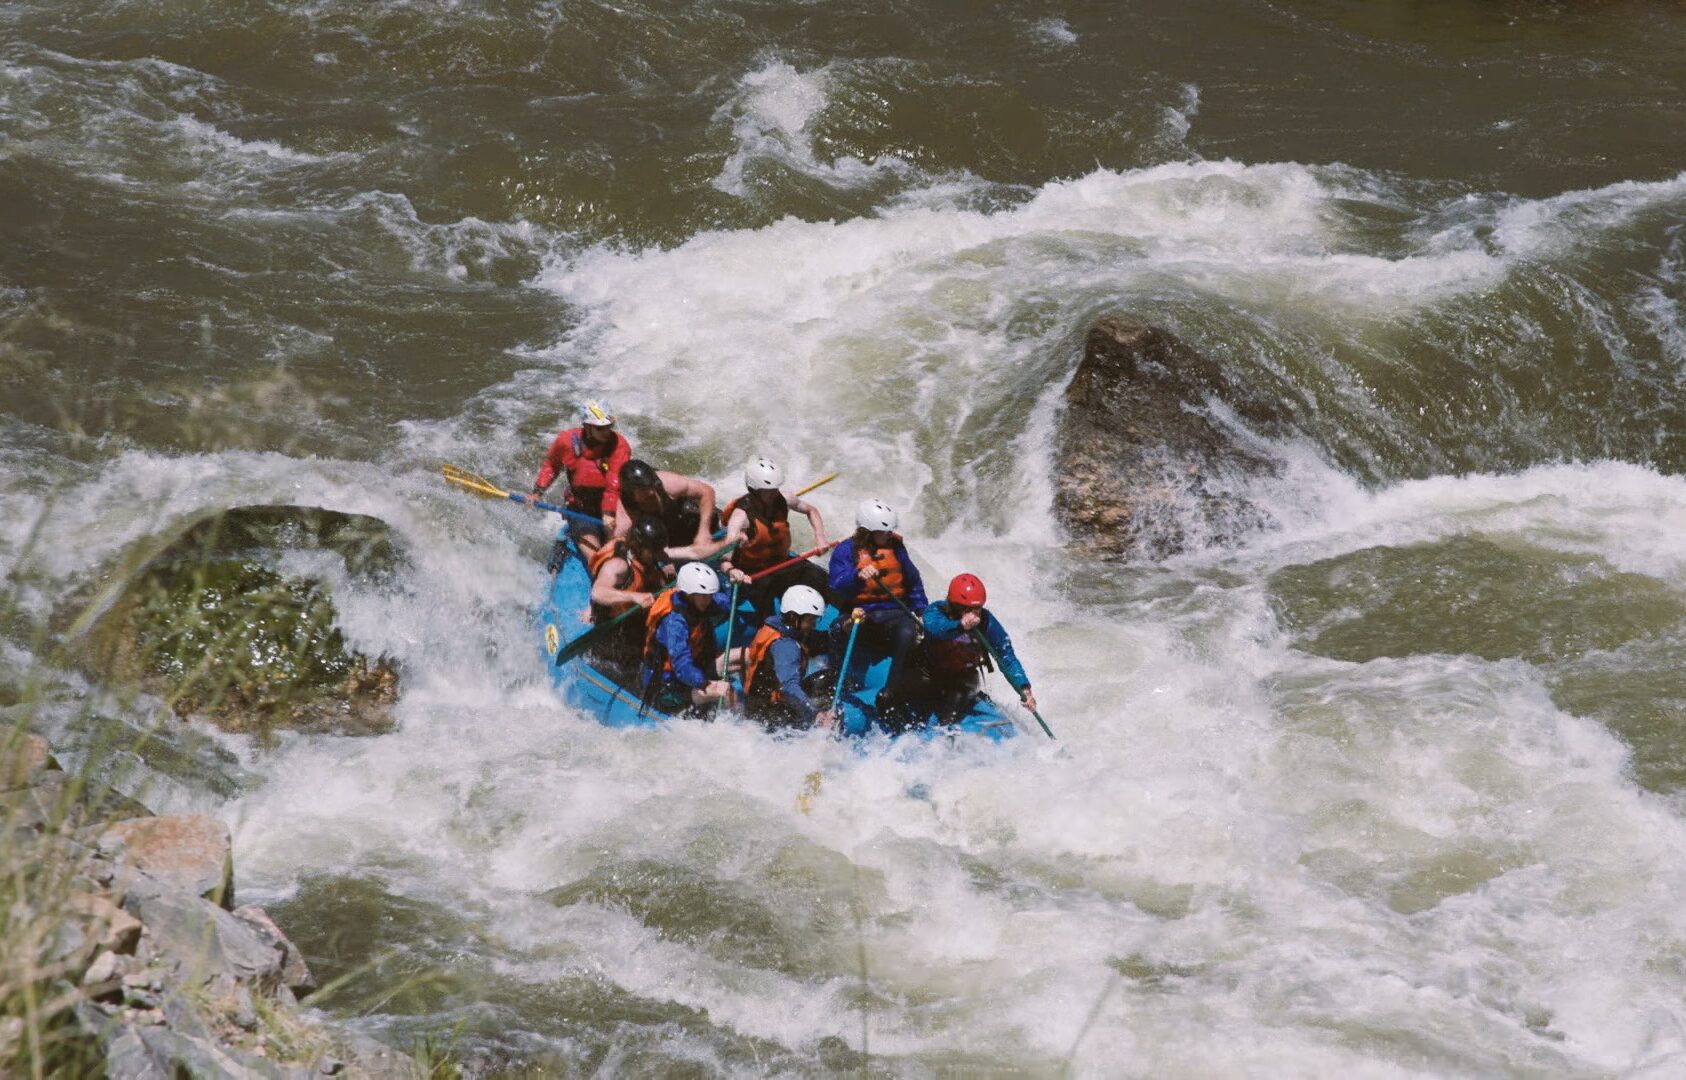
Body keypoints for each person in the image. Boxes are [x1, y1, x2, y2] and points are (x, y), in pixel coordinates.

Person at [827, 498, 927, 710]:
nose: (888, 535)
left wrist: (920, 611)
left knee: (908, 631)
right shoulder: (846, 550)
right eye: (884, 532)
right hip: (860, 612)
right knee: (839, 628)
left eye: (890, 531)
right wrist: (857, 576)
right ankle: (837, 682)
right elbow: (836, 584)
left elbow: (912, 580)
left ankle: (891, 689)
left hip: (893, 613)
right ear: (867, 531)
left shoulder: (897, 548)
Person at [904, 573, 1037, 727]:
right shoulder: (936, 610)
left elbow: (1006, 656)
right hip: (927, 672)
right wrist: (960, 626)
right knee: (888, 699)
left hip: (962, 679)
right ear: (953, 604)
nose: (974, 614)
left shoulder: (987, 621)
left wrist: (1024, 688)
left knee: (949, 717)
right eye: (967, 609)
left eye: (977, 608)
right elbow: (935, 629)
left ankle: (946, 738)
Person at [720, 457, 830, 624]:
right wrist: (732, 572)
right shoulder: (740, 518)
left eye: (775, 488)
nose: (774, 493)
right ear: (754, 489)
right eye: (768, 490)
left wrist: (820, 537)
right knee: (765, 589)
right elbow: (724, 560)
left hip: (780, 563)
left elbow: (811, 510)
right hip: (754, 574)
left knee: (816, 574)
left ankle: (814, 619)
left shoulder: (783, 499)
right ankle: (772, 629)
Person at [530, 401, 632, 554]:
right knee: (596, 555)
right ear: (587, 427)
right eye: (600, 428)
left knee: (616, 549)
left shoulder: (619, 445)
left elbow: (614, 484)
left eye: (609, 426)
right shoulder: (566, 441)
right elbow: (552, 465)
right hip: (581, 509)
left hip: (614, 505)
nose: (606, 432)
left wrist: (609, 513)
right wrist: (537, 492)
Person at [739, 584, 837, 731]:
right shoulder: (785, 646)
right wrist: (814, 713)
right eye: (811, 619)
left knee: (828, 676)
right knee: (828, 682)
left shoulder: (782, 628)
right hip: (769, 714)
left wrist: (843, 627)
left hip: (760, 705)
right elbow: (788, 687)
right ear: (793, 616)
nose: (814, 624)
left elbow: (819, 640)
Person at [641, 561, 733, 714]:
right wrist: (704, 684)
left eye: (710, 595)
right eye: (704, 596)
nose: (709, 599)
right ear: (689, 594)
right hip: (668, 684)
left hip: (694, 669)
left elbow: (727, 602)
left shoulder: (700, 601)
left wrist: (732, 581)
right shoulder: (674, 623)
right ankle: (730, 730)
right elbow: (681, 665)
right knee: (726, 691)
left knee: (746, 655)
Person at [586, 517, 672, 678]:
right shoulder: (619, 565)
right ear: (639, 547)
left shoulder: (652, 562)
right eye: (653, 550)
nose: (657, 554)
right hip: (612, 632)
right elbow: (598, 592)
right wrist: (634, 597)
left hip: (636, 628)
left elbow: (692, 553)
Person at [612, 459, 725, 555]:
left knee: (692, 509)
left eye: (651, 485)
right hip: (668, 538)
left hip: (689, 520)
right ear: (631, 494)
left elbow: (707, 491)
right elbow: (618, 541)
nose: (651, 492)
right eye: (643, 489)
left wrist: (704, 531)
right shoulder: (625, 513)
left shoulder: (668, 483)